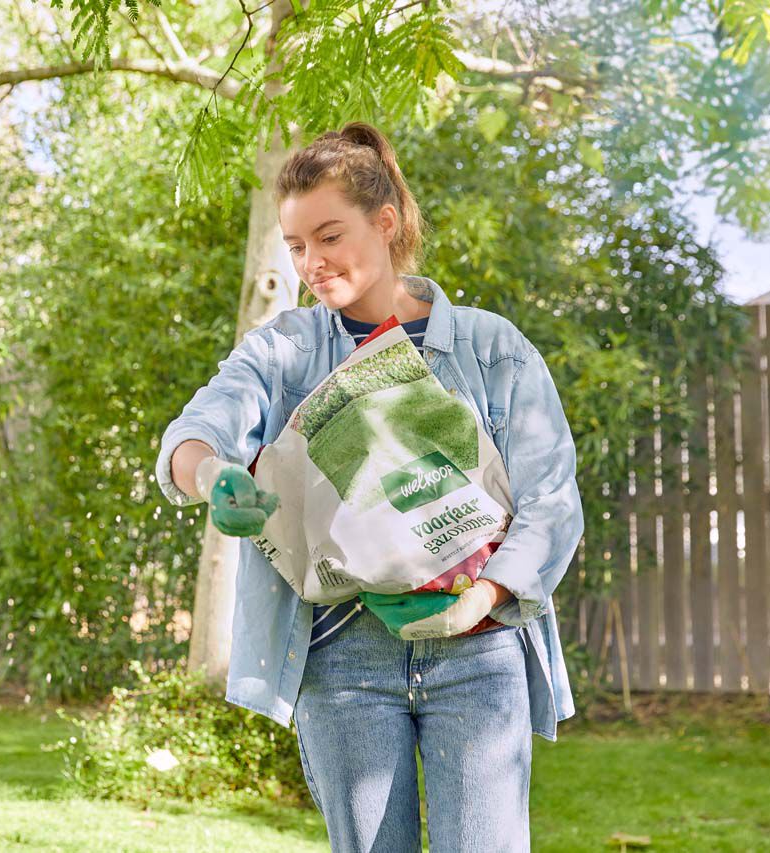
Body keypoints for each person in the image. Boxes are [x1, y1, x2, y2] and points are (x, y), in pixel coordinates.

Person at [155, 121, 583, 853]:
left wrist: (480, 598)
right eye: (295, 247)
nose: (312, 263)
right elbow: (198, 430)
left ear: (385, 223)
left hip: (477, 652)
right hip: (343, 657)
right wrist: (210, 471)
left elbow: (551, 499)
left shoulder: (491, 347)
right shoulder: (284, 349)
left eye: (329, 236)